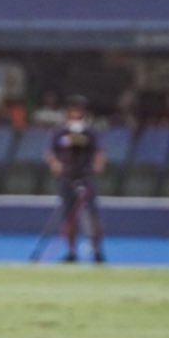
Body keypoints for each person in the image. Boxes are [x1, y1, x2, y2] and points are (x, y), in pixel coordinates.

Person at [46, 96, 106, 262]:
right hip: (67, 177)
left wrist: (98, 165)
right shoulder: (60, 132)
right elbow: (51, 153)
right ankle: (71, 252)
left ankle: (97, 251)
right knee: (69, 217)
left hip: (85, 177)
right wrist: (55, 165)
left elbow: (99, 153)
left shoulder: (90, 132)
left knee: (91, 216)